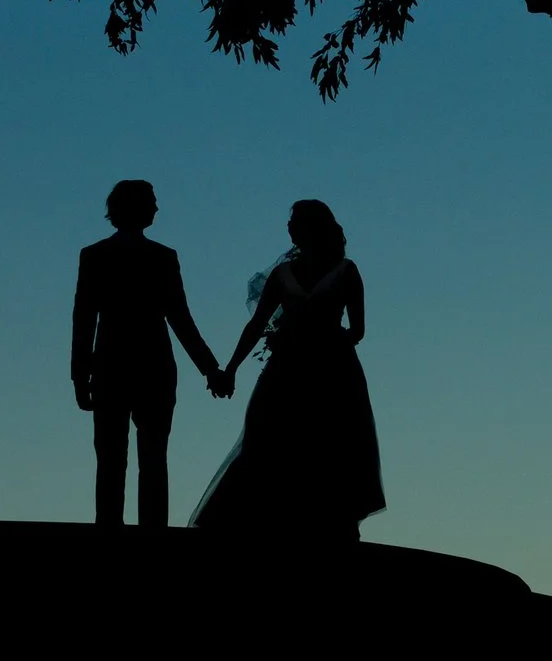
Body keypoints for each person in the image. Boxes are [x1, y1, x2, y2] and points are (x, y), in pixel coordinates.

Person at [190, 199, 384, 540]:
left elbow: (358, 330)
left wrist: (324, 340)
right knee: (268, 439)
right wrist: (231, 367)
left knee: (330, 443)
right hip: (286, 370)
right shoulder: (282, 275)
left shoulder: (347, 270)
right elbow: (256, 325)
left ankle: (328, 522)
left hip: (333, 373)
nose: (290, 227)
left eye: (295, 221)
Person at [71, 180, 222, 528]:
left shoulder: (95, 255)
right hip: (153, 367)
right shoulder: (161, 258)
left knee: (111, 458)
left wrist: (80, 374)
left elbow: (84, 319)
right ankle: (151, 531)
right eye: (152, 202)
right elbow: (180, 318)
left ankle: (110, 526)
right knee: (153, 458)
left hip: (111, 366)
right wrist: (210, 369)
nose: (156, 208)